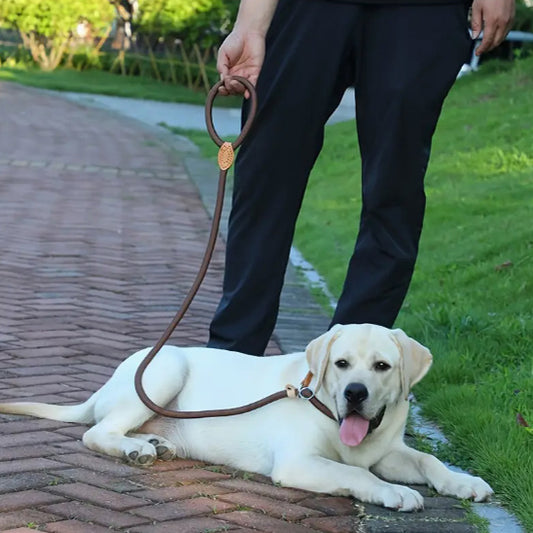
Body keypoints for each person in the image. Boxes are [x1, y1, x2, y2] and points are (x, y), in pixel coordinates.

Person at [207, 0, 515, 356]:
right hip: (306, 10)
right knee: (265, 173)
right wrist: (250, 24)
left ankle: (351, 369)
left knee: (394, 187)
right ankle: (230, 356)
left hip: (423, 12)